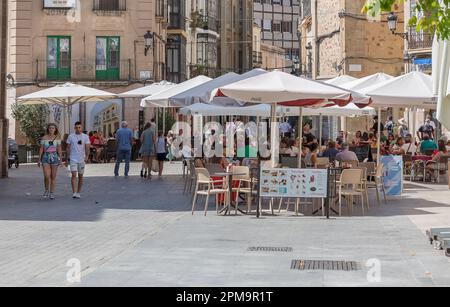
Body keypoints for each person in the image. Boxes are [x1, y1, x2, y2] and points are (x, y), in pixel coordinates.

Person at [66, 122, 90, 199]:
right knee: (73, 174)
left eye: (79, 127)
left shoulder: (85, 136)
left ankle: (78, 192)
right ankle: (74, 192)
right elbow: (68, 147)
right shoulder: (71, 136)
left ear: (81, 128)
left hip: (81, 159)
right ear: (74, 128)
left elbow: (87, 147)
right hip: (73, 158)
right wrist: (67, 158)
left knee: (80, 176)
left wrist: (87, 156)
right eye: (76, 127)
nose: (78, 129)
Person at [38, 123, 63, 200]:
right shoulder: (44, 138)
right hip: (45, 157)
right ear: (48, 129)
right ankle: (46, 190)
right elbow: (41, 149)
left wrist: (61, 160)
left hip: (54, 157)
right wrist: (39, 159)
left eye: (53, 128)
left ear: (55, 129)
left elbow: (59, 149)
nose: (51, 129)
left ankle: (52, 192)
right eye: (50, 128)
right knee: (46, 176)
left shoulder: (57, 138)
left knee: (53, 176)